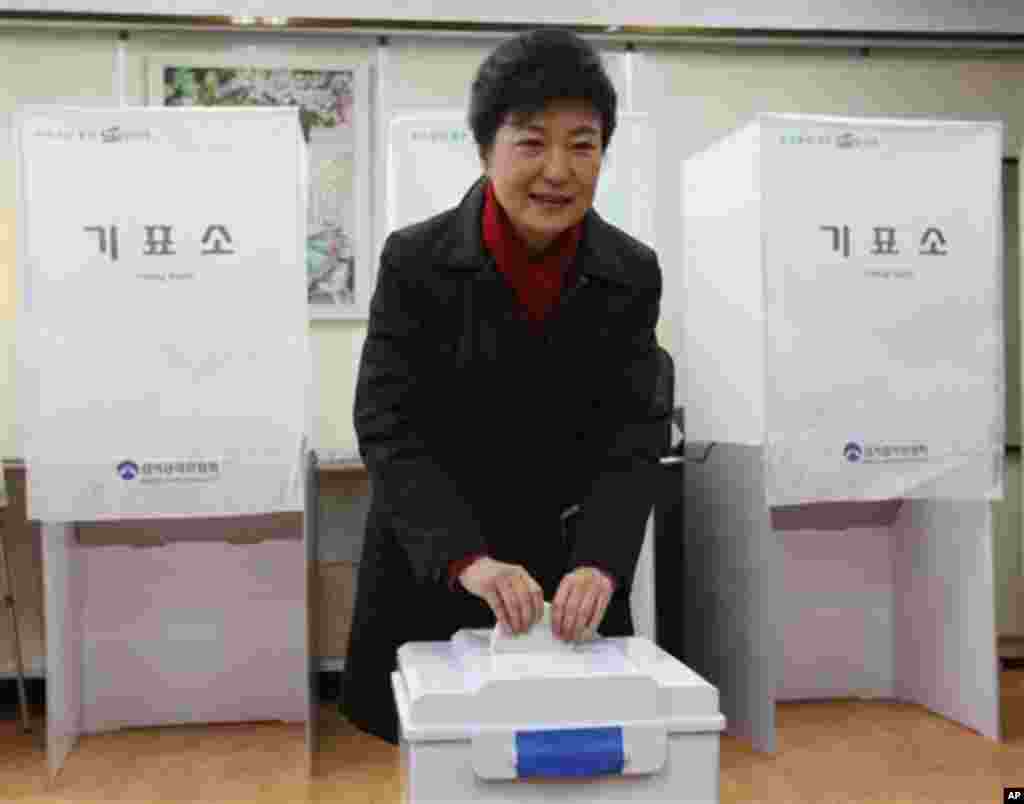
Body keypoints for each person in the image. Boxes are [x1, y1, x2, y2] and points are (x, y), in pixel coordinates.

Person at [341, 28, 665, 745]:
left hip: (566, 576)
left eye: (582, 145)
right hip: (444, 565)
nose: (558, 169)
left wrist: (602, 561)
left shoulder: (631, 271)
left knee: (578, 760)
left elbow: (634, 436)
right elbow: (388, 424)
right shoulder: (417, 262)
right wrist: (466, 558)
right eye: (531, 141)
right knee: (448, 756)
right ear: (486, 148)